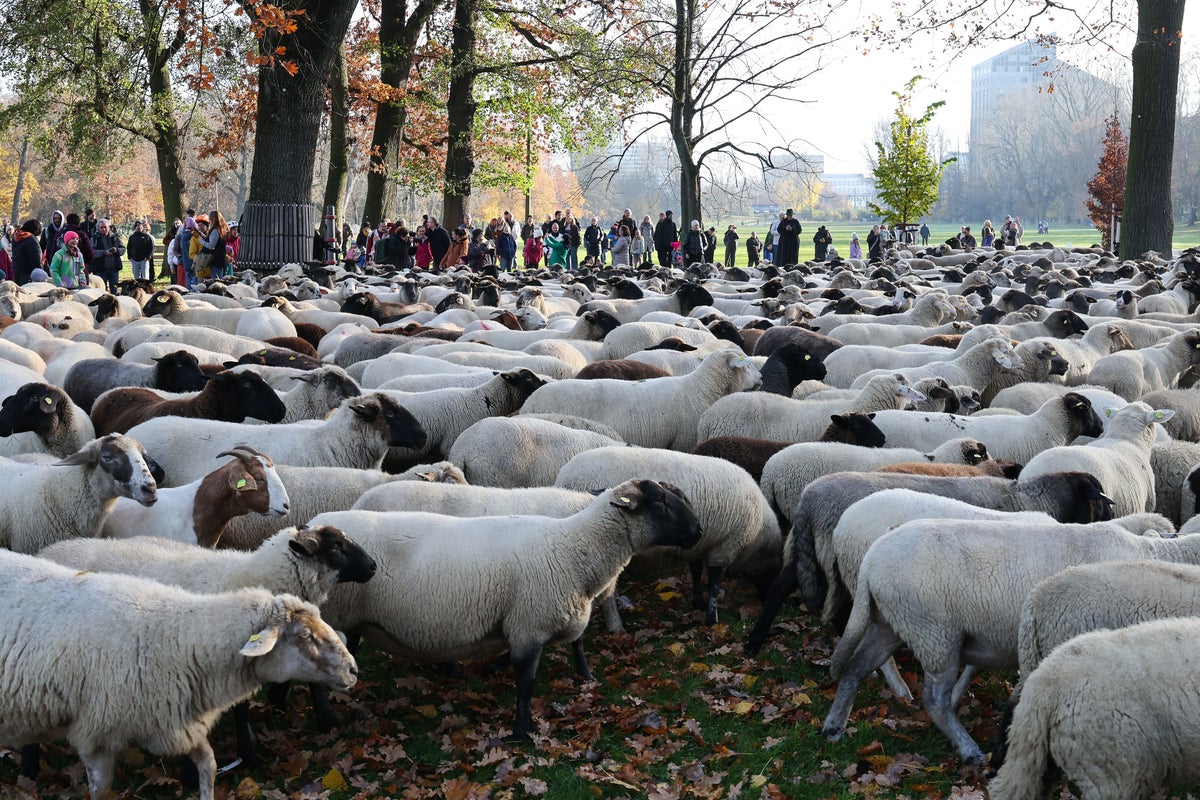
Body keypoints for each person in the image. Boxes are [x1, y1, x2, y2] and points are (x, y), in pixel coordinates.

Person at [90, 218, 125, 293]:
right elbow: (92, 252)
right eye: (101, 227)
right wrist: (104, 252)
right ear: (98, 228)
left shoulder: (115, 237)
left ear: (109, 227)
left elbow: (123, 249)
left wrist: (116, 250)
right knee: (101, 292)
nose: (103, 229)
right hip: (100, 270)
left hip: (114, 269)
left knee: (114, 291)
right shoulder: (95, 238)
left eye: (105, 227)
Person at [11, 219, 42, 284]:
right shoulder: (31, 239)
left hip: (18, 274)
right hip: (31, 275)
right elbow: (36, 259)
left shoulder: (16, 237)